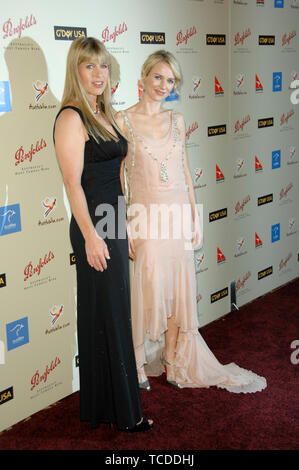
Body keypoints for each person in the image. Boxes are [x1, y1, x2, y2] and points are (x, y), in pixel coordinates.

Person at [115, 50, 267, 393]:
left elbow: (184, 170)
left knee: (179, 293)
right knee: (148, 293)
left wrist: (195, 216)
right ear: (143, 77)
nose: (163, 86)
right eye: (158, 77)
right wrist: (125, 224)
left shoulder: (178, 119)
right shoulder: (123, 120)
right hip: (146, 217)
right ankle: (137, 361)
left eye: (170, 81)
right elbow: (118, 177)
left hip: (178, 214)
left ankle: (170, 360)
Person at [53, 37, 153, 431]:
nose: (99, 74)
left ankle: (100, 406)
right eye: (90, 66)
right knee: (108, 313)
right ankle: (127, 414)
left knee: (108, 312)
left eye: (104, 66)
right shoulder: (71, 117)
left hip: (112, 219)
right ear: (76, 70)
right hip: (91, 223)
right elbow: (72, 184)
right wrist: (93, 237)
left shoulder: (105, 113)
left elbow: (117, 177)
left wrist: (123, 227)